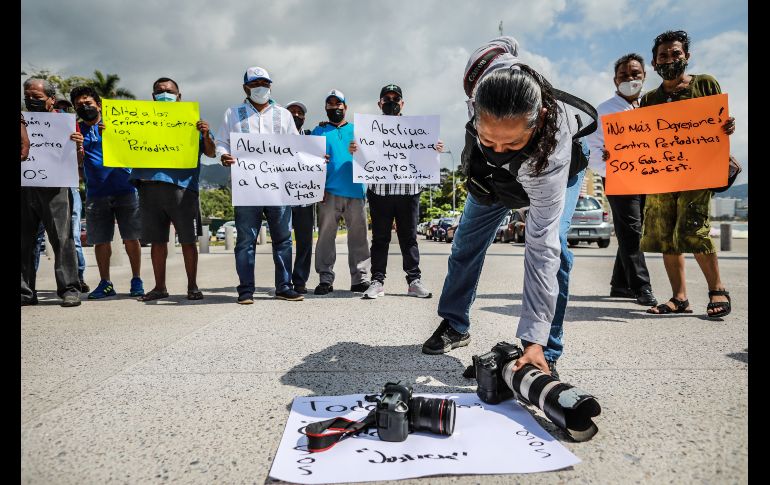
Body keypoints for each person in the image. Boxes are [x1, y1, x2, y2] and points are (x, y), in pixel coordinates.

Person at [421, 37, 589, 379]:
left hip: (543, 169)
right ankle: (454, 324)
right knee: (465, 244)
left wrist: (532, 340)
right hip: (490, 182)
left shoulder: (553, 142)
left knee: (556, 251)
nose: (499, 149)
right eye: (488, 139)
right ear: (474, 108)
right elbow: (504, 43)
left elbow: (541, 248)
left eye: (511, 142)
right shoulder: (479, 72)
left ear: (538, 118)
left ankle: (545, 348)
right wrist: (494, 151)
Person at [639, 30, 735, 318]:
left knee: (694, 228)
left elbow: (718, 125)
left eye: (675, 53)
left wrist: (727, 127)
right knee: (665, 234)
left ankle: (717, 289)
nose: (670, 59)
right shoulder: (648, 99)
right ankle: (679, 297)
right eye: (663, 56)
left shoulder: (706, 84)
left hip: (698, 174)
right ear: (654, 63)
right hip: (661, 177)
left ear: (687, 57)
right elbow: (640, 141)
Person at [215, 66, 303, 304]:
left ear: (270, 86)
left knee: (283, 239)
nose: (260, 88)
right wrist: (223, 155)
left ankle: (284, 286)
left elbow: (296, 147)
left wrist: (313, 160)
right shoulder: (232, 113)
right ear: (246, 88)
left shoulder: (283, 115)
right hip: (247, 188)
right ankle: (245, 290)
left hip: (278, 187)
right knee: (245, 240)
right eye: (255, 84)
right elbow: (221, 142)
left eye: (264, 83)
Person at [130, 77, 216, 301]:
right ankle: (159, 287)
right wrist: (110, 132)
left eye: (168, 91)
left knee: (188, 240)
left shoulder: (193, 122)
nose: (164, 94)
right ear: (153, 96)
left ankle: (192, 286)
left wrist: (206, 134)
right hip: (148, 187)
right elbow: (122, 144)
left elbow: (210, 153)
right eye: (159, 91)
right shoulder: (139, 121)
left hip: (182, 189)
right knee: (157, 241)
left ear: (179, 96)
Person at [348, 84, 434, 299]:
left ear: (402, 103)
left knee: (409, 238)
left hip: (408, 190)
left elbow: (425, 154)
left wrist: (435, 148)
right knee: (379, 238)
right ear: (380, 103)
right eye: (387, 98)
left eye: (396, 98)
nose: (391, 102)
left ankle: (414, 280)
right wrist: (355, 151)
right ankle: (377, 281)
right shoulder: (369, 130)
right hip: (380, 192)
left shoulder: (416, 128)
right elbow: (363, 156)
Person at [584, 53, 657, 307]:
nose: (630, 79)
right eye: (624, 75)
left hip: (649, 177)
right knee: (631, 231)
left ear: (644, 76)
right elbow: (592, 149)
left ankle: (620, 284)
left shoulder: (652, 105)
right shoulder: (603, 111)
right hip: (619, 178)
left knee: (632, 232)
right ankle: (641, 287)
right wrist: (611, 164)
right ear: (615, 80)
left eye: (635, 74)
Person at [69, 85, 145, 300]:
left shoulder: (118, 125)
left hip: (126, 190)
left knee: (132, 238)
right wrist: (78, 148)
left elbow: (138, 148)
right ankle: (105, 282)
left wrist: (113, 133)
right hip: (96, 193)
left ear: (99, 105)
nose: (84, 107)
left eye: (88, 103)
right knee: (101, 240)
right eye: (79, 105)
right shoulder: (76, 132)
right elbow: (74, 166)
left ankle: (137, 279)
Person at [21, 78, 81, 307]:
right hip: (25, 188)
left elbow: (78, 162)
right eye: (28, 96)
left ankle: (69, 289)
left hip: (56, 188)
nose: (31, 100)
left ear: (51, 99)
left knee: (62, 239)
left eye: (37, 97)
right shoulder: (21, 120)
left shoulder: (64, 123)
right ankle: (25, 292)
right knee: (24, 241)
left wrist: (78, 145)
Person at [310, 90, 371, 295]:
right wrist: (317, 189)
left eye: (339, 104)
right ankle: (325, 279)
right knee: (326, 236)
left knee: (359, 237)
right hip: (328, 192)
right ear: (326, 108)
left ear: (345, 107)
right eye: (331, 104)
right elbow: (310, 163)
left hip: (355, 191)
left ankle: (359, 278)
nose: (335, 107)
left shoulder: (359, 130)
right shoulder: (318, 132)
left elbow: (374, 155)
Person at [285, 100, 314, 294]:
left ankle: (300, 280)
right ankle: (284, 281)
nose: (296, 115)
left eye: (300, 113)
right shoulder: (274, 138)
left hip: (304, 198)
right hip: (282, 199)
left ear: (304, 118)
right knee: (283, 241)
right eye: (292, 112)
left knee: (304, 241)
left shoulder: (312, 139)